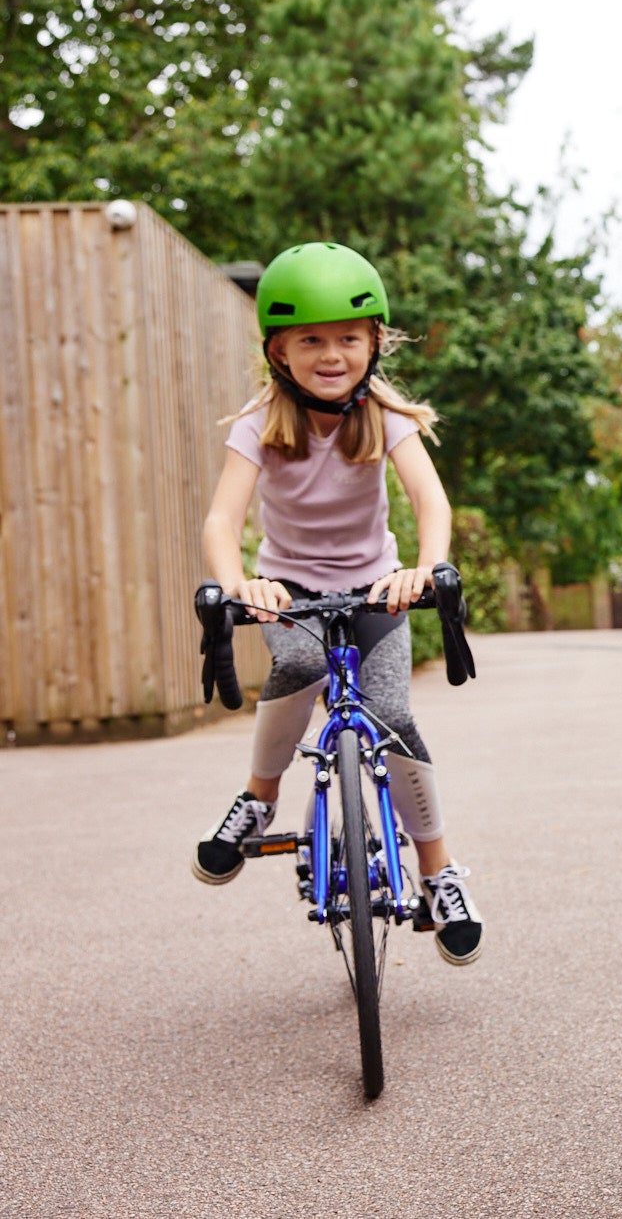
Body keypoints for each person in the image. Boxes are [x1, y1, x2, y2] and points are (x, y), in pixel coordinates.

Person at [193, 242, 482, 966]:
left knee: (394, 715)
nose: (332, 353)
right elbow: (221, 521)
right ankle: (260, 798)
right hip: (287, 589)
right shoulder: (259, 422)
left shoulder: (383, 414)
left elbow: (429, 499)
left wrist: (425, 568)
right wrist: (239, 586)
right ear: (278, 350)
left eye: (348, 337)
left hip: (374, 584)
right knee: (294, 666)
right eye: (311, 340)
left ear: (374, 343)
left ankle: (439, 873)